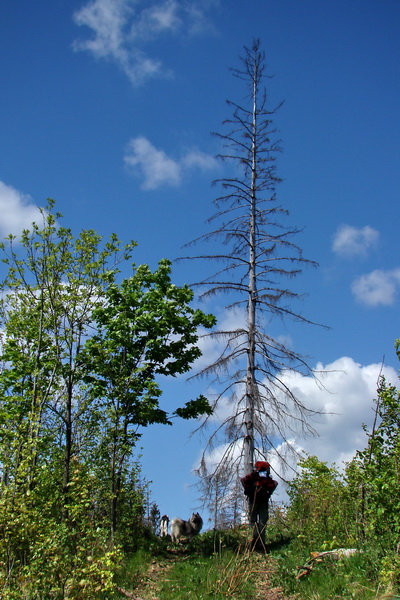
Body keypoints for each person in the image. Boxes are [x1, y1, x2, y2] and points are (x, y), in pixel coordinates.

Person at [241, 460, 278, 551]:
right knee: (262, 521)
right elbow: (274, 484)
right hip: (262, 502)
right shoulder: (266, 479)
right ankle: (261, 542)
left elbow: (243, 480)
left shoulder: (252, 477)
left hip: (253, 501)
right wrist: (269, 493)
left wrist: (248, 489)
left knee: (253, 520)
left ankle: (255, 540)